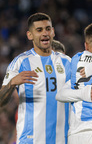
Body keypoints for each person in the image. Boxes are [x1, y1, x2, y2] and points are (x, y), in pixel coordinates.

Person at [0, 12, 71, 144]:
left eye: (48, 29)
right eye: (39, 30)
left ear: (53, 32)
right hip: (30, 140)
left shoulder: (67, 62)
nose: (45, 33)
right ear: (30, 35)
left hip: (61, 139)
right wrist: (12, 83)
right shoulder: (20, 62)